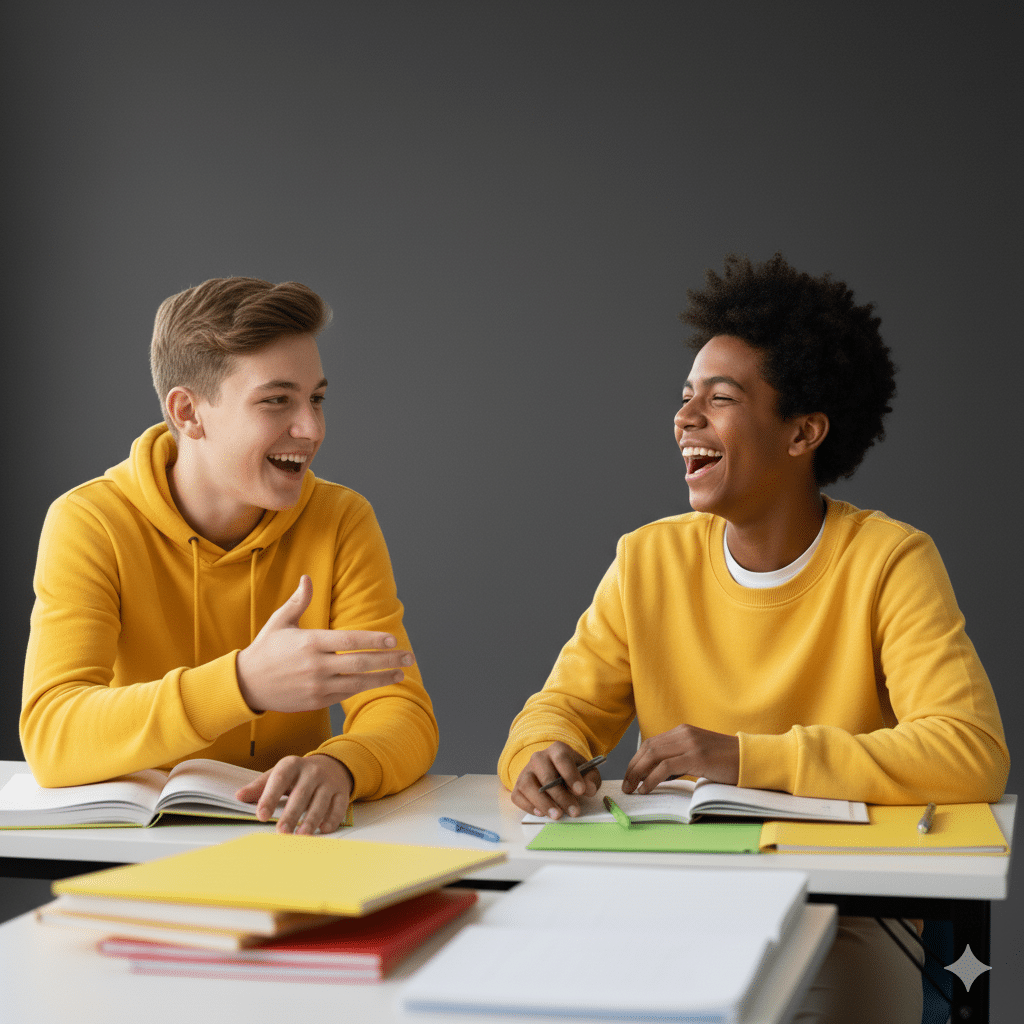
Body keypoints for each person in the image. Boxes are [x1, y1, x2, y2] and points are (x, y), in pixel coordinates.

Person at [498, 254, 1009, 1023]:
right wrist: (542, 754)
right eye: (685, 397)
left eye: (721, 398)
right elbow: (558, 709)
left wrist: (744, 758)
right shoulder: (649, 559)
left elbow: (970, 751)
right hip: (673, 894)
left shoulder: (890, 559)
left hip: (843, 908)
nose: (686, 418)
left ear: (803, 432)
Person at [21, 277, 438, 836]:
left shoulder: (341, 520)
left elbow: (402, 710)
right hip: (135, 847)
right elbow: (52, 734)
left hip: (291, 840)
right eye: (276, 400)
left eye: (315, 398)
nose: (311, 428)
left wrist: (341, 765)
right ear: (188, 413)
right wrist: (243, 684)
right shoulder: (90, 522)